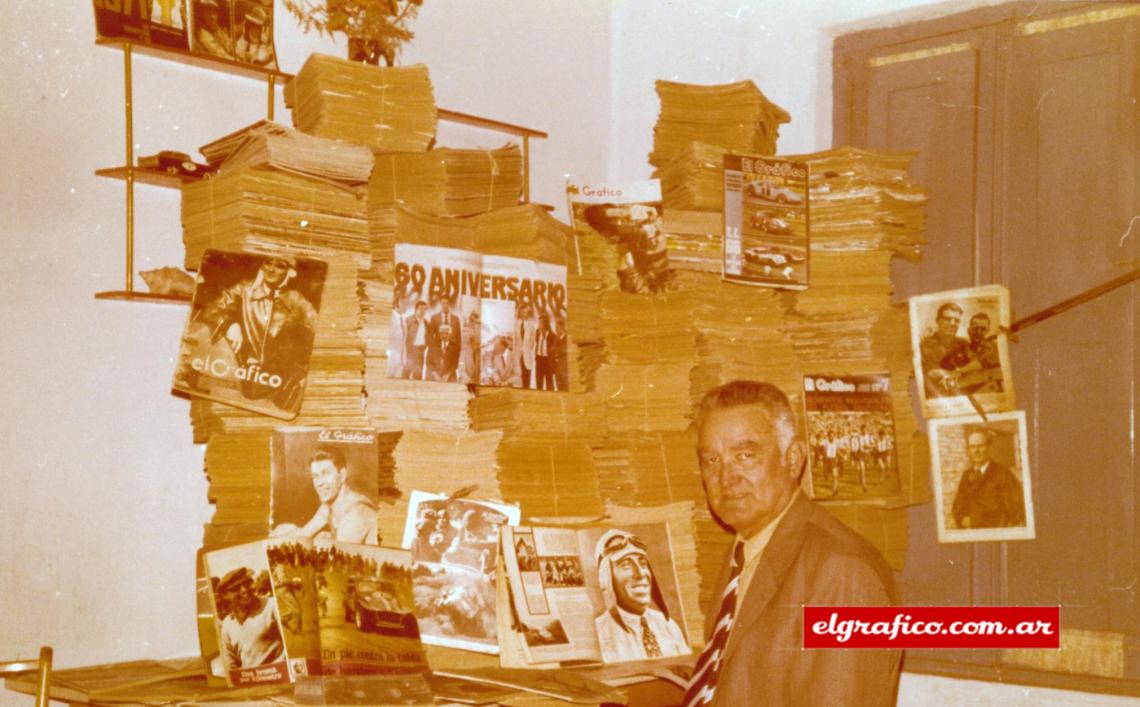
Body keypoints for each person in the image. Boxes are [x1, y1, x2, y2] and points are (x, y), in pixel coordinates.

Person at [683, 380, 900, 706]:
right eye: (712, 460)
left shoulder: (841, 572)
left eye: (745, 455)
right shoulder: (744, 549)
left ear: (794, 458)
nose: (727, 478)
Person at [197, 255, 317, 411]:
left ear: (290, 272)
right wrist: (230, 324)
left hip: (273, 384)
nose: (271, 269)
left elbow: (320, 327)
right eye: (268, 262)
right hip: (237, 373)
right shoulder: (244, 289)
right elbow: (212, 309)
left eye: (280, 265)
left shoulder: (296, 300)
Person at [593, 528, 689, 663]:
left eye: (643, 564)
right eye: (626, 565)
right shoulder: (599, 635)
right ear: (606, 577)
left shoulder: (668, 625)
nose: (640, 573)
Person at [272, 446, 378, 544]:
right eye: (315, 476)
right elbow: (304, 533)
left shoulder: (356, 513)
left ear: (342, 475)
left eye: (326, 473)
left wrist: (322, 541)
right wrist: (288, 532)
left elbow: (336, 561)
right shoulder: (329, 505)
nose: (320, 483)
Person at [951, 428, 1026, 529]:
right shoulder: (966, 475)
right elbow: (957, 507)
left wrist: (975, 521)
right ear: (968, 450)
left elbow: (1013, 511)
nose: (976, 451)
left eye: (980, 446)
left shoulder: (1004, 474)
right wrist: (962, 519)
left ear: (988, 447)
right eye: (972, 447)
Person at [216, 567, 283, 670]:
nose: (244, 590)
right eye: (236, 588)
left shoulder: (271, 606)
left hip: (278, 674)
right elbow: (230, 664)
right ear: (225, 596)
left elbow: (289, 650)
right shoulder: (227, 624)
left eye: (247, 584)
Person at [919, 302, 969, 397]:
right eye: (947, 319)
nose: (952, 323)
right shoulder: (925, 345)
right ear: (937, 321)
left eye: (956, 320)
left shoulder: (964, 344)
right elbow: (929, 373)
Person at [427, 297, 462, 382]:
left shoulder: (456, 318)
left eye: (447, 303)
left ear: (450, 304)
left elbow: (458, 336)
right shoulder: (434, 317)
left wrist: (457, 349)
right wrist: (432, 348)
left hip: (451, 350)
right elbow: (430, 335)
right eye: (443, 303)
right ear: (440, 304)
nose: (445, 305)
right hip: (438, 350)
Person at [403, 301, 429, 380]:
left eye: (425, 309)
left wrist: (424, 347)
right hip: (410, 350)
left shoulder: (426, 322)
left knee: (418, 374)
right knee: (406, 373)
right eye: (421, 308)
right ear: (416, 309)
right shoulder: (408, 320)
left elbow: (427, 337)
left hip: (421, 350)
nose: (423, 311)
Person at [514, 302, 538, 389]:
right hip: (516, 354)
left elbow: (532, 341)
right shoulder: (514, 324)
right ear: (519, 312)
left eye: (525, 312)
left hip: (526, 355)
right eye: (521, 312)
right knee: (517, 376)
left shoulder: (531, 326)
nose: (523, 314)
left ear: (528, 313)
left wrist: (526, 349)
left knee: (526, 375)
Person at [533, 313, 555, 391]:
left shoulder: (552, 335)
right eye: (538, 323)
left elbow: (553, 351)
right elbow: (537, 344)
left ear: (545, 324)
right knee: (539, 382)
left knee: (549, 383)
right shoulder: (537, 332)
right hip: (539, 359)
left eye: (540, 323)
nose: (539, 325)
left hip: (547, 361)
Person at [551, 318, 570, 391]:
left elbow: (563, 350)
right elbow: (552, 351)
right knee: (559, 389)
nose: (556, 330)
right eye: (556, 327)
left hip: (565, 369)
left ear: (563, 328)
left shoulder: (568, 338)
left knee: (566, 388)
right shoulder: (556, 338)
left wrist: (555, 349)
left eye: (557, 328)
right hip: (557, 369)